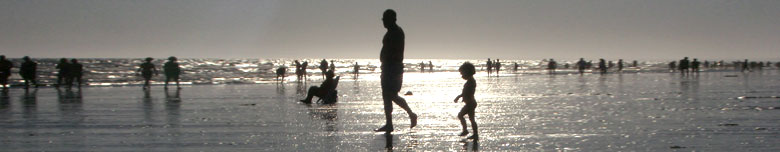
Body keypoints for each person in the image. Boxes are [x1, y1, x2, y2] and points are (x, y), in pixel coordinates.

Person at [374, 9, 417, 133]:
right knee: (386, 96)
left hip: (393, 68)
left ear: (392, 19)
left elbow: (395, 51)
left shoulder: (396, 32)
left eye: (385, 19)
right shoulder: (391, 32)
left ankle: (411, 114)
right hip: (388, 67)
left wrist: (389, 61)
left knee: (391, 94)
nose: (383, 21)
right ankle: (389, 124)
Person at [454, 62, 479, 140]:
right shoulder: (470, 81)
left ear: (467, 72)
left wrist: (459, 96)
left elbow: (467, 92)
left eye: (462, 73)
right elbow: (465, 92)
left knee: (460, 115)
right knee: (472, 119)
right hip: (471, 102)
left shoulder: (471, 82)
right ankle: (475, 134)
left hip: (470, 103)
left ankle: (465, 130)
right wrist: (460, 96)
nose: (462, 76)